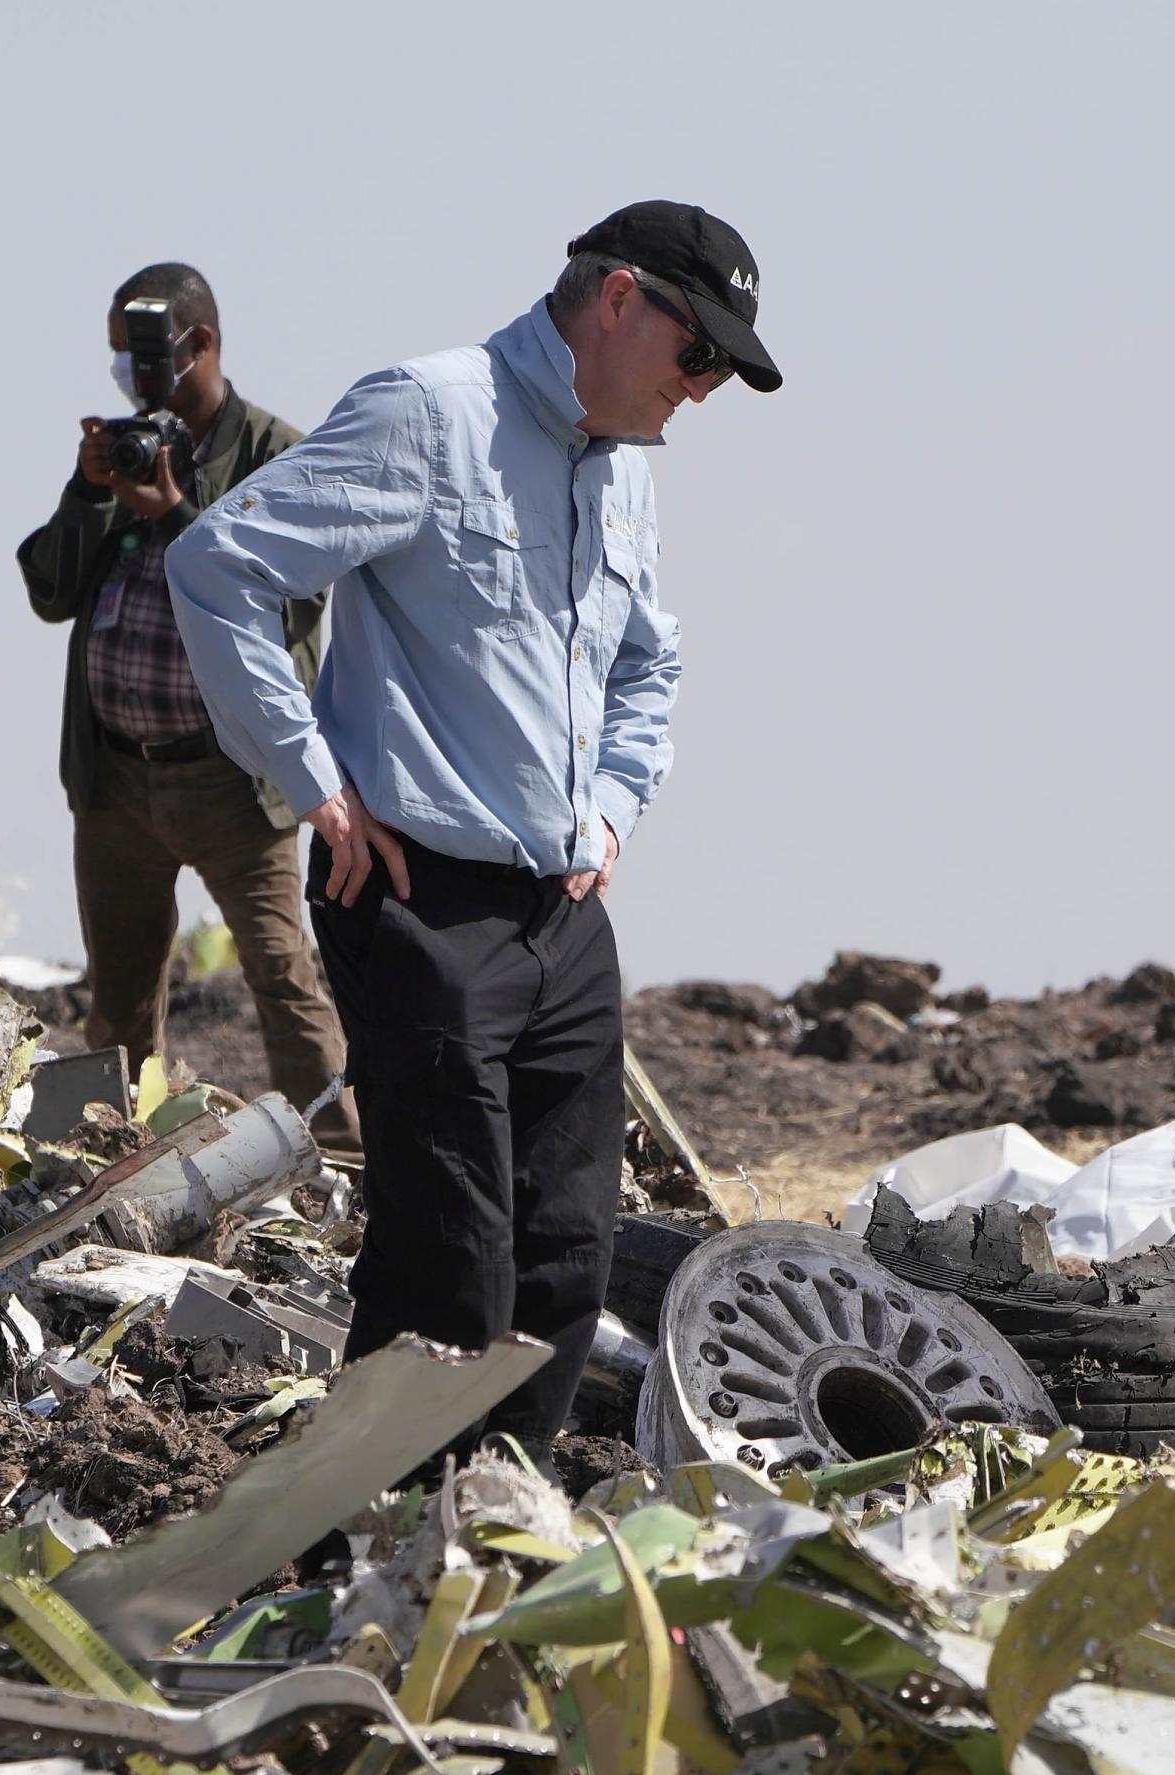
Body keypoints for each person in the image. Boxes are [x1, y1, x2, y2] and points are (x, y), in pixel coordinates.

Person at [167, 202, 781, 1461]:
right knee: (451, 1265)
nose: (701, 389)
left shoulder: (624, 472)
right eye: (697, 353)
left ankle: (496, 1525)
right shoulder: (426, 414)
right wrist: (313, 784)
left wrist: (610, 813)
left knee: (567, 1256)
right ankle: (383, 1546)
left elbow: (649, 671)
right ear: (618, 300)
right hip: (415, 900)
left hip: (563, 914)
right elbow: (220, 565)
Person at [17, 263, 358, 1154]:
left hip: (232, 780)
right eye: (121, 360)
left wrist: (176, 513)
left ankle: (347, 1164)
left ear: (200, 344)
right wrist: (91, 491)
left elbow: (293, 604)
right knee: (119, 999)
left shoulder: (277, 455)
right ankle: (105, 1166)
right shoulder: (129, 450)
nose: (133, 377)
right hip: (116, 779)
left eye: (145, 357)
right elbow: (50, 589)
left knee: (283, 979)